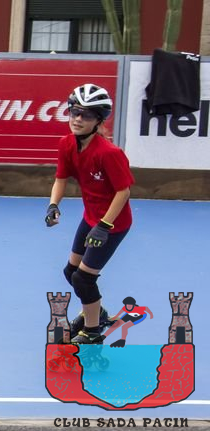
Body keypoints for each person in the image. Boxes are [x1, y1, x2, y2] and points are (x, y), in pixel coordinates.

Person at [44, 84, 134, 345]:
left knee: (83, 279)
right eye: (74, 112)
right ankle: (97, 312)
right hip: (91, 216)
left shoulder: (109, 153)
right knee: (71, 271)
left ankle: (92, 332)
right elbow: (61, 179)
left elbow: (123, 192)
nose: (78, 119)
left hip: (113, 223)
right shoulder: (66, 144)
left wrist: (104, 226)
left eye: (87, 115)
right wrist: (53, 205)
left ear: (98, 121)